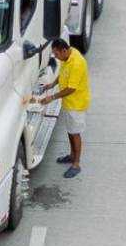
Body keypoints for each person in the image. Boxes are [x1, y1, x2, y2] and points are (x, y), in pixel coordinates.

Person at [34, 38, 91, 178]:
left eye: (56, 54)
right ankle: (72, 156)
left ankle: (76, 164)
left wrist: (52, 97)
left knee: (75, 133)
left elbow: (71, 88)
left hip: (76, 105)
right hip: (69, 103)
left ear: (64, 50)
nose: (56, 57)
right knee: (70, 131)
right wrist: (51, 84)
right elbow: (63, 73)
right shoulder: (68, 58)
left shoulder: (77, 63)